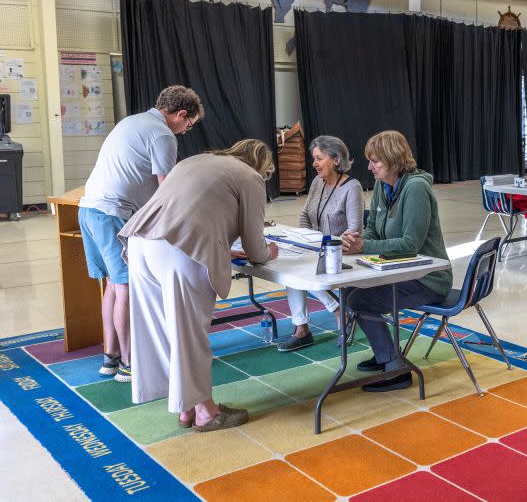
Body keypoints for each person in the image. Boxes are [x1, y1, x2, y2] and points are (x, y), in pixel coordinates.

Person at [119, 139, 279, 432]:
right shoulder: (250, 177)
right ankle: (206, 412)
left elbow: (191, 209)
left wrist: (221, 247)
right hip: (178, 250)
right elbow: (256, 248)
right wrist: (270, 252)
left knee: (165, 328)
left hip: (142, 241)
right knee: (189, 333)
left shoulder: (194, 160)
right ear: (260, 164)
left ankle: (186, 407)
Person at [78, 85, 203, 383]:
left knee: (112, 285)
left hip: (88, 209)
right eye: (189, 124)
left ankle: (111, 357)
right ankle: (131, 364)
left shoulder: (131, 121)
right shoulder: (162, 135)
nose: (186, 131)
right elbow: (166, 190)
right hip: (110, 214)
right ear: (181, 114)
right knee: (126, 287)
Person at [341, 130, 452, 392]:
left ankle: (396, 369)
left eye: (375, 161)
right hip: (400, 273)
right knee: (347, 289)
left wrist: (364, 246)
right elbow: (372, 229)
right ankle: (386, 352)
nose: (370, 167)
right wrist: (356, 242)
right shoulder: (383, 185)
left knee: (359, 299)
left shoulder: (415, 189)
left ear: (393, 160)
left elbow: (410, 245)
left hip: (428, 279)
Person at [277, 136, 364, 352]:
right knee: (290, 267)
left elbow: (355, 230)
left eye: (319, 158)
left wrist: (327, 245)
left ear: (336, 159)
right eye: (313, 158)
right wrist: (307, 239)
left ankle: (335, 311)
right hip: (316, 248)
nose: (314, 163)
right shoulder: (317, 183)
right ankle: (303, 327)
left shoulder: (352, 187)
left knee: (300, 271)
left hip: (341, 253)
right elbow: (306, 214)